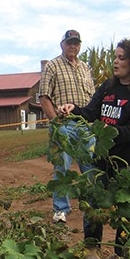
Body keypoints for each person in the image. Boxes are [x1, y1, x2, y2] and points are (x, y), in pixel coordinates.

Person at [58, 39, 130, 251]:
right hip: (102, 158)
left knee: (126, 210)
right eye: (115, 57)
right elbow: (90, 113)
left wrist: (108, 132)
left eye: (121, 58)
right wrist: (73, 109)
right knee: (93, 204)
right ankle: (92, 253)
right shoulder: (108, 87)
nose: (116, 62)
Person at [38, 29, 96, 224]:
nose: (73, 46)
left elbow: (93, 98)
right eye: (69, 43)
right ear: (62, 44)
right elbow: (44, 97)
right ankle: (61, 208)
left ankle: (90, 204)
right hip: (64, 125)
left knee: (89, 166)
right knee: (62, 166)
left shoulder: (85, 68)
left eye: (76, 43)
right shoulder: (53, 66)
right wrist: (56, 122)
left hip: (85, 124)